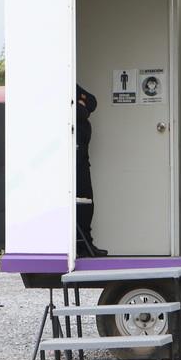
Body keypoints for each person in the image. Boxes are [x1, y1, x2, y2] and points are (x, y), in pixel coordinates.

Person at [75, 85, 106, 257]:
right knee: (81, 201)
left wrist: (81, 102)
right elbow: (81, 113)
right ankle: (81, 246)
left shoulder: (73, 86)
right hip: (74, 158)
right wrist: (80, 105)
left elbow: (92, 102)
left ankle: (87, 244)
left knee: (87, 201)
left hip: (83, 156)